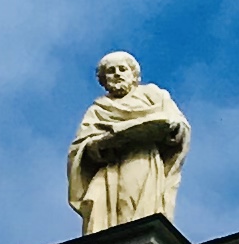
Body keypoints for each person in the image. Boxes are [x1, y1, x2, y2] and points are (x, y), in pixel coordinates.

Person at [66, 51, 192, 230]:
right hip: (109, 167)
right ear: (104, 80)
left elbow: (180, 125)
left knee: (133, 209)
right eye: (111, 71)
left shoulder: (153, 95)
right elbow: (80, 149)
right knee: (96, 207)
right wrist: (104, 143)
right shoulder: (98, 109)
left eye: (122, 69)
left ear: (133, 75)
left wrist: (169, 128)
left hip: (141, 159)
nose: (117, 74)